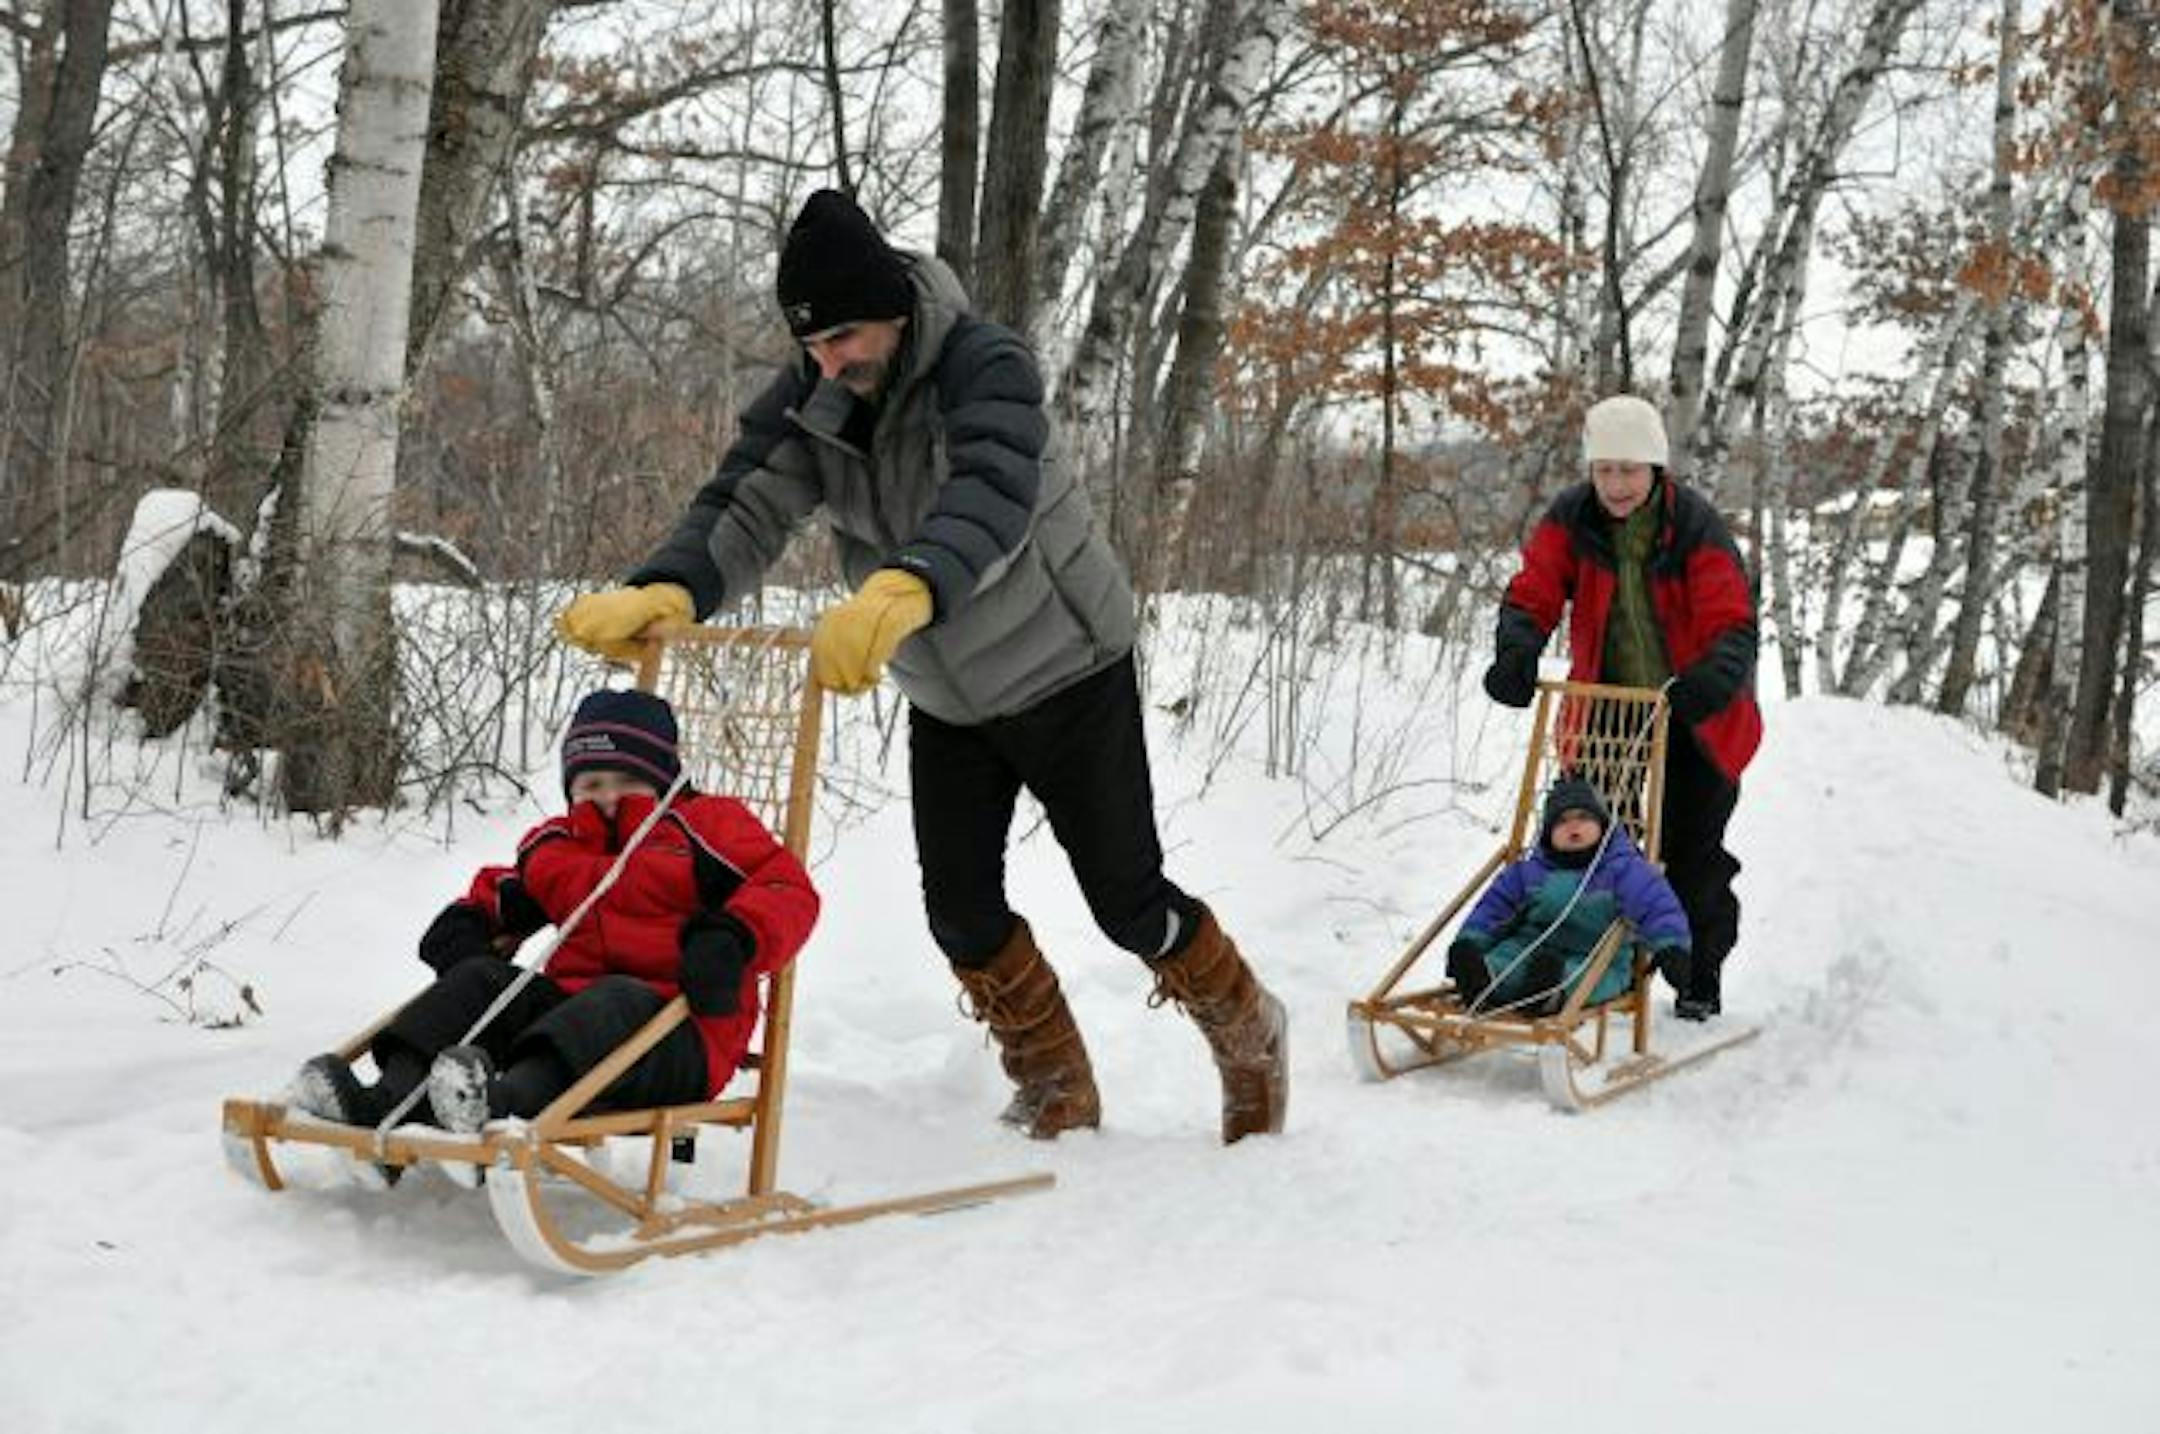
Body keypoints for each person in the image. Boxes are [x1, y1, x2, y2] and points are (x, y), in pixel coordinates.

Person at [554, 188, 1287, 1144]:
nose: (830, 363)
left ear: (895, 310)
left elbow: (992, 490)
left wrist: (908, 586)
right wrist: (673, 587)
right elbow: (744, 505)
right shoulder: (818, 395)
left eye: (846, 339)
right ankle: (1056, 1082)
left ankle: (1249, 1030)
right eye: (813, 348)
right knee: (961, 914)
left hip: (1066, 669)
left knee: (1128, 904)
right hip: (948, 694)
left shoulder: (983, 365)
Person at [289, 688, 820, 1136]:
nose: (608, 797)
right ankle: (385, 1102)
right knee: (479, 982)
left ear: (665, 780)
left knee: (611, 999)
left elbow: (786, 888)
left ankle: (498, 1109)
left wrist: (733, 936)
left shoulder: (705, 827)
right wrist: (469, 925)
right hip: (567, 1020)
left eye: (627, 781)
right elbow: (501, 895)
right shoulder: (557, 847)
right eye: (591, 784)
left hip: (678, 1037)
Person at [1482, 394, 1760, 1020]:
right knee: (1581, 841)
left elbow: (1733, 621)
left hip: (1693, 712)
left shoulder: (1693, 525)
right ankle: (1569, 960)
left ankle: (1696, 973)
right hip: (1606, 706)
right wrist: (1517, 652)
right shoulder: (1573, 518)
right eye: (1604, 469)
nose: (1616, 484)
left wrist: (1709, 680)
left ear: (1655, 469)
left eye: (1629, 470)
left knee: (1691, 852)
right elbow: (1533, 591)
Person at [1445, 776, 1691, 1016]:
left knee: (1578, 978)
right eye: (1562, 821)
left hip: (1596, 961)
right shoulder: (1530, 871)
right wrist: (1469, 943)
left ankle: (1550, 995)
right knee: (1505, 961)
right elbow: (1493, 910)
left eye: (1584, 817)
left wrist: (1671, 947)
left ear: (1603, 825)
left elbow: (1656, 906)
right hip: (1531, 948)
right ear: (1548, 833)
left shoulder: (1623, 869)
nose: (1573, 826)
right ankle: (1483, 979)